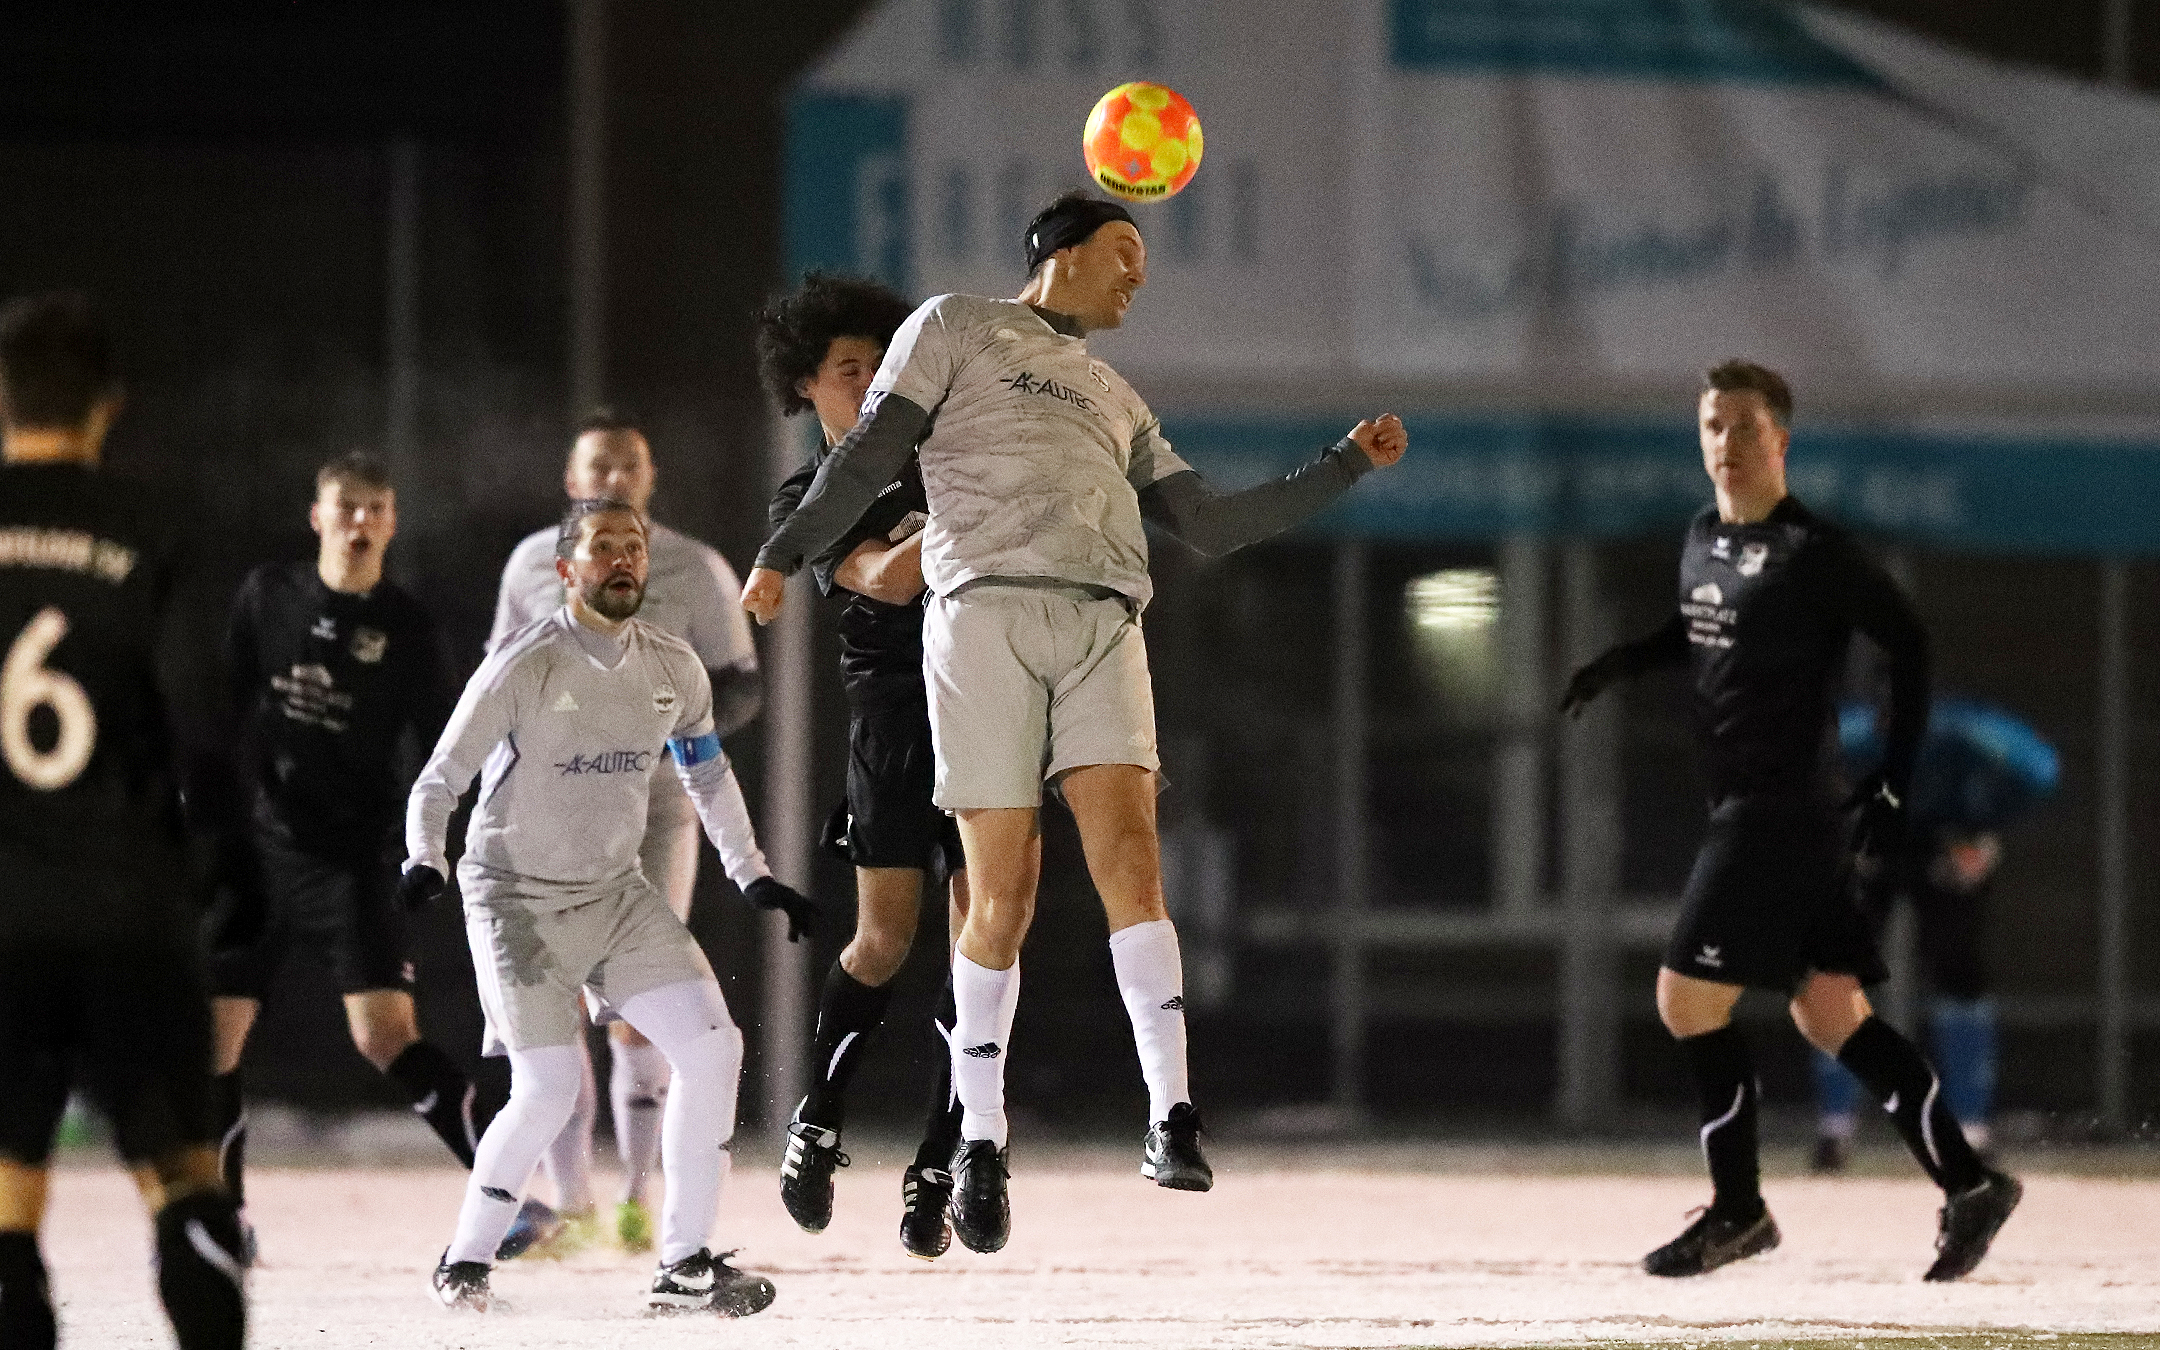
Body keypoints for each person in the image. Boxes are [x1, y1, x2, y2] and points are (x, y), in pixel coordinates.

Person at [742, 192, 1408, 1253]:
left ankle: (1144, 1120)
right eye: (1124, 250)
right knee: (928, 923)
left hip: (1098, 622)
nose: (1140, 272)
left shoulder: (1112, 396)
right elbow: (864, 480)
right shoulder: (952, 332)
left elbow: (1209, 524)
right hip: (945, 666)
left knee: (1099, 874)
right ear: (1060, 250)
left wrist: (1344, 466)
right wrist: (783, 555)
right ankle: (894, 1131)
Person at [1559, 359, 2020, 1282]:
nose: (1725, 442)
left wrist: (1893, 781)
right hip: (1747, 806)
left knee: (1687, 1001)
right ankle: (1970, 1184)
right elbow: (1700, 629)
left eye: (1744, 425)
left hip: (1780, 814)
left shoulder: (1816, 552)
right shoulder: (1702, 537)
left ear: (1781, 439)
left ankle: (1740, 1210)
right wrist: (1622, 662)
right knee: (1830, 1011)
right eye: (1712, 425)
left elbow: (1910, 644)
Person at [408, 499, 813, 1314]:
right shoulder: (526, 663)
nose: (623, 559)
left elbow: (707, 773)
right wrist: (425, 856)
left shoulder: (673, 666)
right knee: (548, 1086)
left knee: (713, 1048)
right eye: (603, 547)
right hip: (516, 898)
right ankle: (464, 1263)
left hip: (615, 894)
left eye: (635, 546)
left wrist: (752, 872)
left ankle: (684, 1266)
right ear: (567, 570)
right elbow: (441, 777)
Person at [0, 292, 248, 1349]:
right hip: (129, 913)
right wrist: (226, 877)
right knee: (184, 1182)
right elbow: (204, 731)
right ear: (109, 404)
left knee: (8, 1206)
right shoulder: (155, 533)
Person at [490, 412, 771, 1253]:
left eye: (630, 465)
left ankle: (638, 1195)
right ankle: (571, 1198)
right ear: (571, 480)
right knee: (556, 1005)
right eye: (598, 465)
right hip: (551, 818)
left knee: (641, 1003)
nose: (614, 478)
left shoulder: (696, 568)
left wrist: (661, 728)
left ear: (650, 479)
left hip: (654, 812)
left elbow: (741, 683)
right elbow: (496, 678)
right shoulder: (531, 565)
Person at [754, 272, 972, 1258]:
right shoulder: (811, 495)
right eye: (850, 368)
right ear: (805, 385)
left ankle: (942, 1159)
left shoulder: (947, 454)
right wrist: (966, 517)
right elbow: (881, 578)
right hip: (893, 721)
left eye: (883, 364)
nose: (871, 381)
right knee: (883, 940)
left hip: (988, 711)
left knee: (983, 947)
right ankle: (818, 1120)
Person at [211, 451, 480, 1239]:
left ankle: (509, 1199)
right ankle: (223, 1217)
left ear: (391, 523)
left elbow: (443, 746)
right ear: (318, 517)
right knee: (214, 1040)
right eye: (347, 506)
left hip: (353, 857)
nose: (360, 521)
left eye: (375, 509)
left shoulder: (408, 627)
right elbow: (225, 706)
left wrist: (432, 841)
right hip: (262, 851)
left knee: (384, 1035)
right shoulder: (269, 596)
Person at [1810, 696, 2058, 1171]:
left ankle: (1972, 1129)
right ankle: (1834, 1128)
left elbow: (2042, 770)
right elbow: (1793, 780)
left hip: (1950, 838)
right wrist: (1840, 833)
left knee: (1958, 970)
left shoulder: (1971, 737)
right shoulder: (1848, 739)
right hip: (1877, 840)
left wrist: (1986, 831)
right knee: (1836, 967)